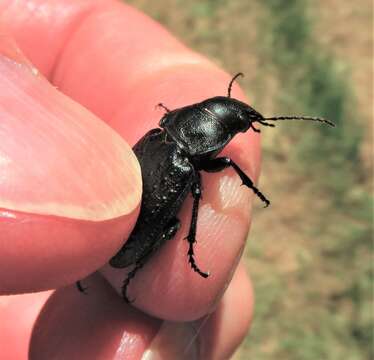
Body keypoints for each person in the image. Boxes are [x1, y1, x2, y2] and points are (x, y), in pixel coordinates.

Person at [0, 0, 258, 358]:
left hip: (110, 243)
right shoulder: (184, 162)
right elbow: (196, 198)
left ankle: (113, 265)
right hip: (121, 246)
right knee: (177, 222)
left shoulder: (159, 136)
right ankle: (149, 262)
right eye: (238, 125)